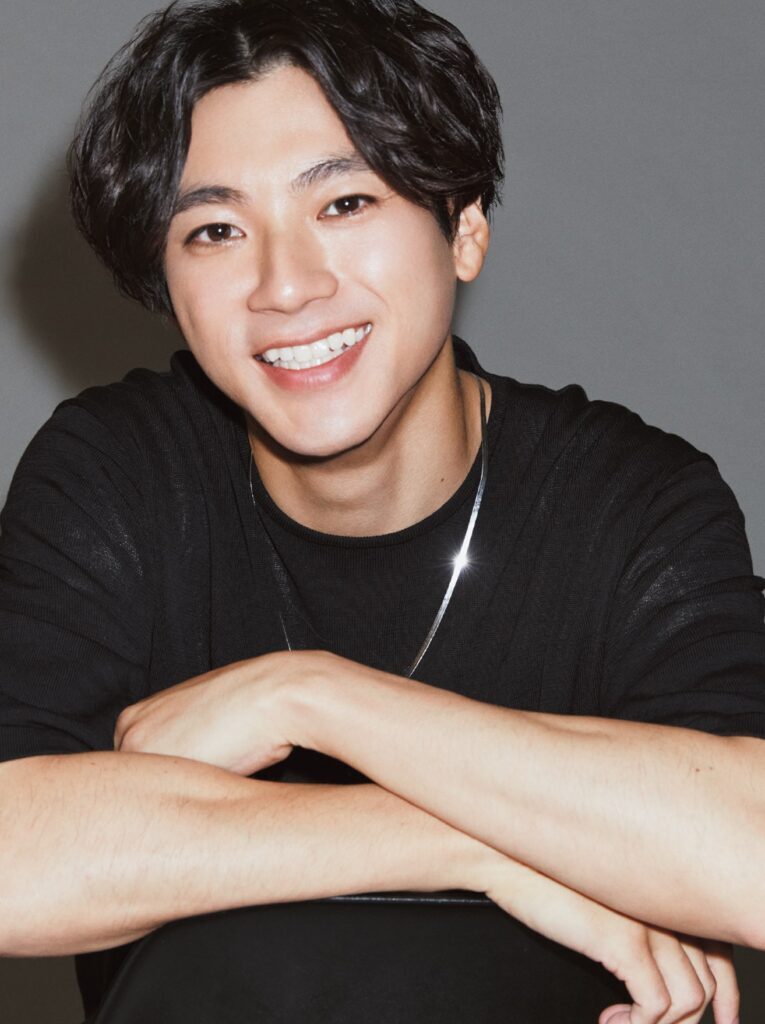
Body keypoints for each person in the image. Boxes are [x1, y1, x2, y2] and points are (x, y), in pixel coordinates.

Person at [0, 0, 763, 1020]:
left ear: (464, 229)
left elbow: (750, 856)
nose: (285, 285)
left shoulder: (628, 504)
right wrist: (477, 845)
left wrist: (308, 695)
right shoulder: (120, 475)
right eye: (216, 230)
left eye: (345, 203)